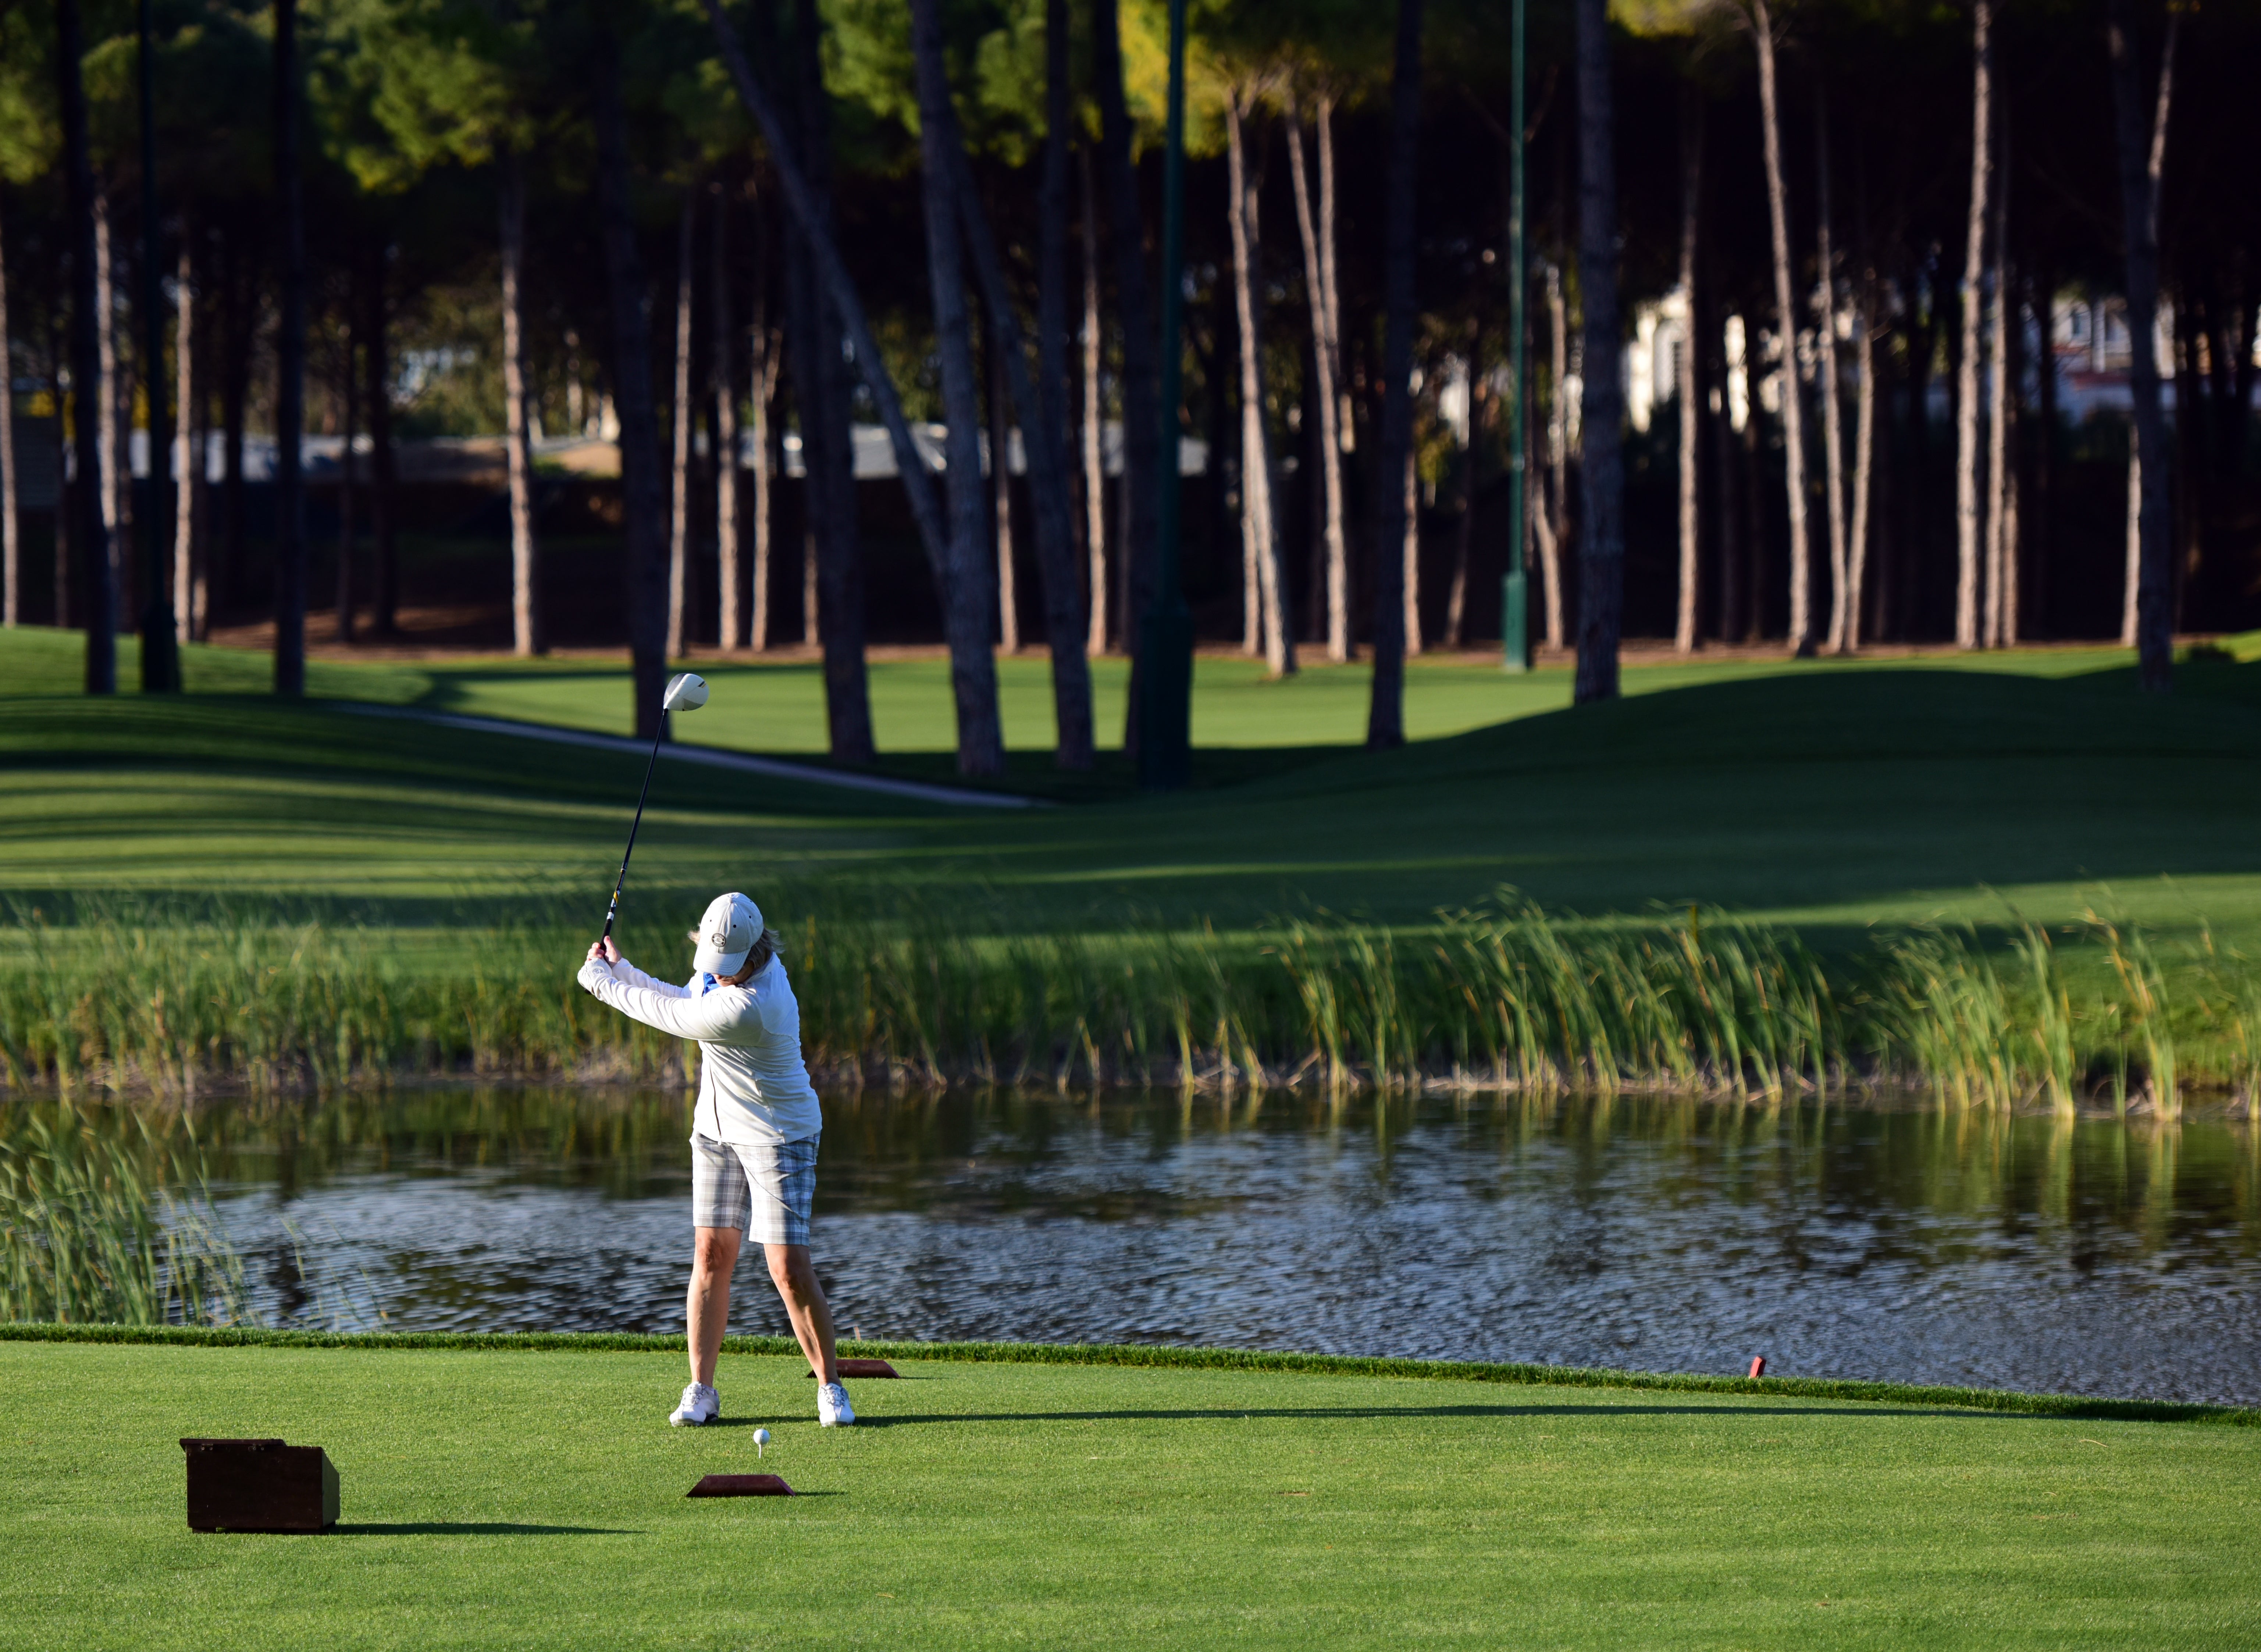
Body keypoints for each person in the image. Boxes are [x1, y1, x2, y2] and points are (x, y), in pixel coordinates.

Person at [577, 890, 854, 1428]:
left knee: (788, 1269)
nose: (718, 973)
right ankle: (702, 1389)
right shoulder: (724, 977)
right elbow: (683, 995)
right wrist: (623, 968)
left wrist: (602, 985)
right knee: (710, 1255)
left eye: (726, 967)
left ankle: (831, 1388)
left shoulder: (754, 1005)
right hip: (715, 1131)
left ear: (754, 957)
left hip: (780, 1134)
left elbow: (673, 1016)